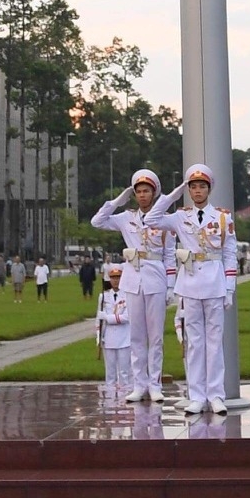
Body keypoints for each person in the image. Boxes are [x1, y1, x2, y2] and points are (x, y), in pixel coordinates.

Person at [91, 168, 183, 404]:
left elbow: (170, 255)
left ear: (154, 193)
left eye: (146, 191)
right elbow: (97, 222)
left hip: (156, 278)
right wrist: (115, 202)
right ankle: (139, 384)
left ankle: (155, 384)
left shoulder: (162, 220)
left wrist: (171, 286)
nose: (142, 195)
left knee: (156, 337)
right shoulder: (126, 217)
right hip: (132, 279)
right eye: (139, 191)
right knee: (136, 336)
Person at [166, 162, 238, 414]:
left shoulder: (222, 216)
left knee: (214, 342)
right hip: (190, 282)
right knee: (195, 342)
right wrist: (174, 194)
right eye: (193, 187)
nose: (197, 191)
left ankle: (216, 395)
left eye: (202, 186)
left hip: (215, 281)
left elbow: (230, 253)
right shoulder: (179, 216)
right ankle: (196, 395)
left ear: (209, 189)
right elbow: (151, 218)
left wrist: (230, 287)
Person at [95, 262, 131, 394]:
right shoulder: (103, 296)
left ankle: (124, 398)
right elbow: (98, 319)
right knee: (110, 372)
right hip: (108, 338)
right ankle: (110, 398)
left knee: (124, 372)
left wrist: (108, 318)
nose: (115, 281)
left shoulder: (127, 295)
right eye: (113, 278)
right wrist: (98, 338)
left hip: (124, 337)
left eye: (118, 278)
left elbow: (127, 317)